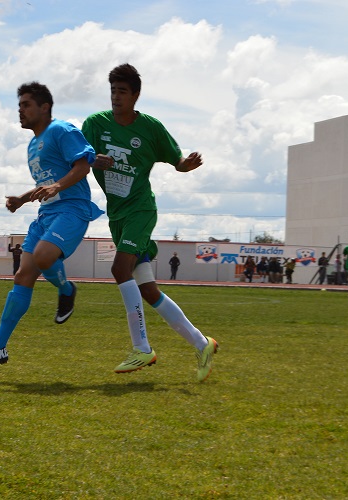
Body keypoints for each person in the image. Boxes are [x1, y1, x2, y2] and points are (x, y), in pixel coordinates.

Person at [83, 64, 217, 382]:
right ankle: (202, 343)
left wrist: (188, 164)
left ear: (136, 96)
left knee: (119, 270)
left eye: (123, 91)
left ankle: (141, 347)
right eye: (113, 90)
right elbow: (78, 156)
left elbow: (177, 161)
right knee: (148, 290)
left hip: (141, 211)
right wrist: (92, 159)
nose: (116, 97)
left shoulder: (151, 128)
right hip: (117, 215)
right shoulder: (95, 124)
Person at [0, 81, 102, 367]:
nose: (20, 111)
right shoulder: (32, 145)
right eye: (19, 106)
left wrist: (58, 187)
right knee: (22, 276)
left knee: (42, 256)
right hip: (46, 215)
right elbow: (45, 185)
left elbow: (83, 166)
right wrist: (22, 199)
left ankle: (66, 290)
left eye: (26, 105)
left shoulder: (62, 130)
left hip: (72, 210)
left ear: (45, 107)